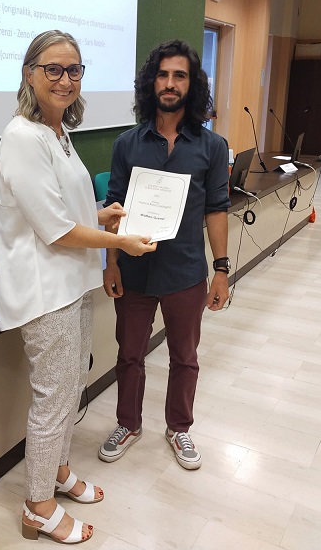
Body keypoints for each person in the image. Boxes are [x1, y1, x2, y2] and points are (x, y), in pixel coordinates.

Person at [0, 30, 156, 544]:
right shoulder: (22, 137)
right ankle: (37, 506)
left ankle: (57, 473)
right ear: (29, 74)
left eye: (74, 70)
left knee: (70, 388)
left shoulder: (57, 133)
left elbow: (65, 208)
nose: (65, 80)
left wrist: (102, 215)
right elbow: (56, 229)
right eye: (53, 69)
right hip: (46, 293)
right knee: (53, 399)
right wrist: (120, 242)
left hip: (71, 285)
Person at [98, 39, 231, 471]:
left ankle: (179, 428)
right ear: (150, 82)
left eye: (179, 76)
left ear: (192, 85)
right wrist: (111, 263)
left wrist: (221, 270)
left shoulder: (212, 146)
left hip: (185, 272)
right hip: (134, 270)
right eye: (162, 75)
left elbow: (217, 209)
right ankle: (128, 424)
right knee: (129, 354)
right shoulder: (127, 144)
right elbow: (114, 209)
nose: (170, 83)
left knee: (185, 357)